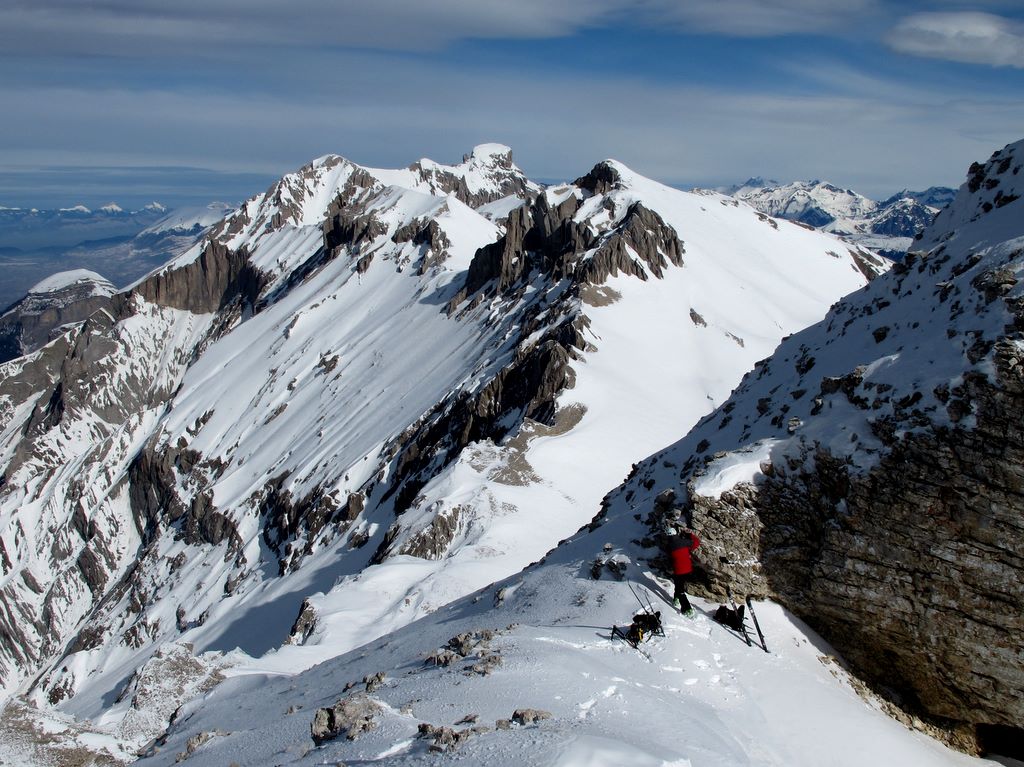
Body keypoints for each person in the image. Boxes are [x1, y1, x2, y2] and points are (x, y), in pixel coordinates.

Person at [664, 524, 700, 616]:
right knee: (679, 584)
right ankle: (676, 598)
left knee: (680, 590)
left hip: (678, 571)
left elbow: (670, 557)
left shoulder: (669, 547)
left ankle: (687, 609)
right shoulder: (684, 542)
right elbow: (696, 543)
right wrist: (690, 535)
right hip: (688, 569)